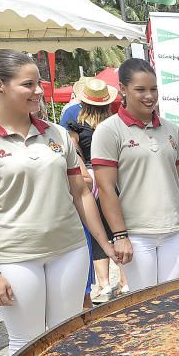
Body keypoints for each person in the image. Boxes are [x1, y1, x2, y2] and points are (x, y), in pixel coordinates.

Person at [0, 50, 115, 356]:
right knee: (28, 346)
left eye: (39, 83)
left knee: (66, 337)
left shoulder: (57, 134)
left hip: (70, 251)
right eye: (28, 85)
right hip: (16, 259)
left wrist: (106, 246)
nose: (39, 91)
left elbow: (80, 194)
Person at [91, 59, 179, 292]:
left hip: (176, 231)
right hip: (138, 235)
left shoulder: (172, 129)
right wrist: (120, 236)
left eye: (153, 89)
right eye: (140, 89)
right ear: (123, 89)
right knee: (146, 304)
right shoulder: (109, 130)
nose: (149, 96)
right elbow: (106, 187)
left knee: (173, 301)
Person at [65, 77, 128, 303]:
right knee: (118, 228)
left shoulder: (74, 122)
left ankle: (104, 284)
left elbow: (73, 151)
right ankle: (125, 281)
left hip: (89, 177)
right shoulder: (113, 122)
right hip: (114, 176)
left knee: (97, 228)